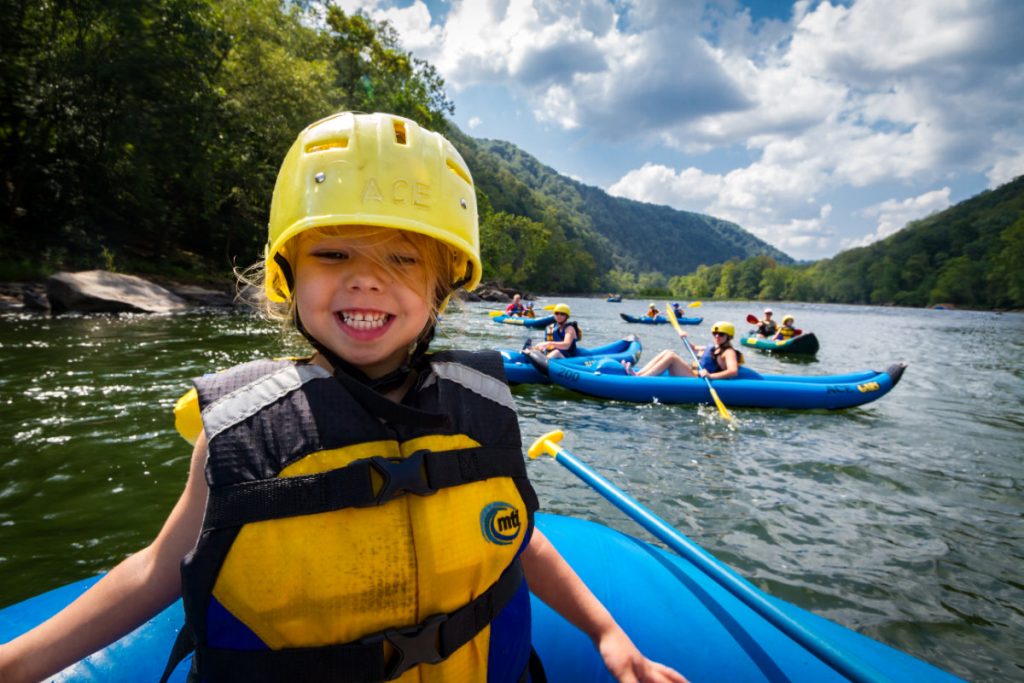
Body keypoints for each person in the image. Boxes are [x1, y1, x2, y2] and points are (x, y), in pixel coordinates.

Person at [0, 113, 686, 683]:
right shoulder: (243, 435)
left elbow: (517, 537)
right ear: (287, 276)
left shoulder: (478, 410)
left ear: (442, 287)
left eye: (401, 259)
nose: (365, 282)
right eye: (333, 256)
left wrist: (609, 636)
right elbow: (156, 571)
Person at [624, 321, 742, 380]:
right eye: (715, 333)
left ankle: (641, 380)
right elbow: (694, 348)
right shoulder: (713, 347)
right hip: (694, 374)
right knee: (668, 352)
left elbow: (733, 371)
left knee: (671, 357)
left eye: (721, 334)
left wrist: (710, 375)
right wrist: (684, 337)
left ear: (728, 336)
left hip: (698, 379)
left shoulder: (728, 352)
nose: (717, 336)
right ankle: (639, 374)